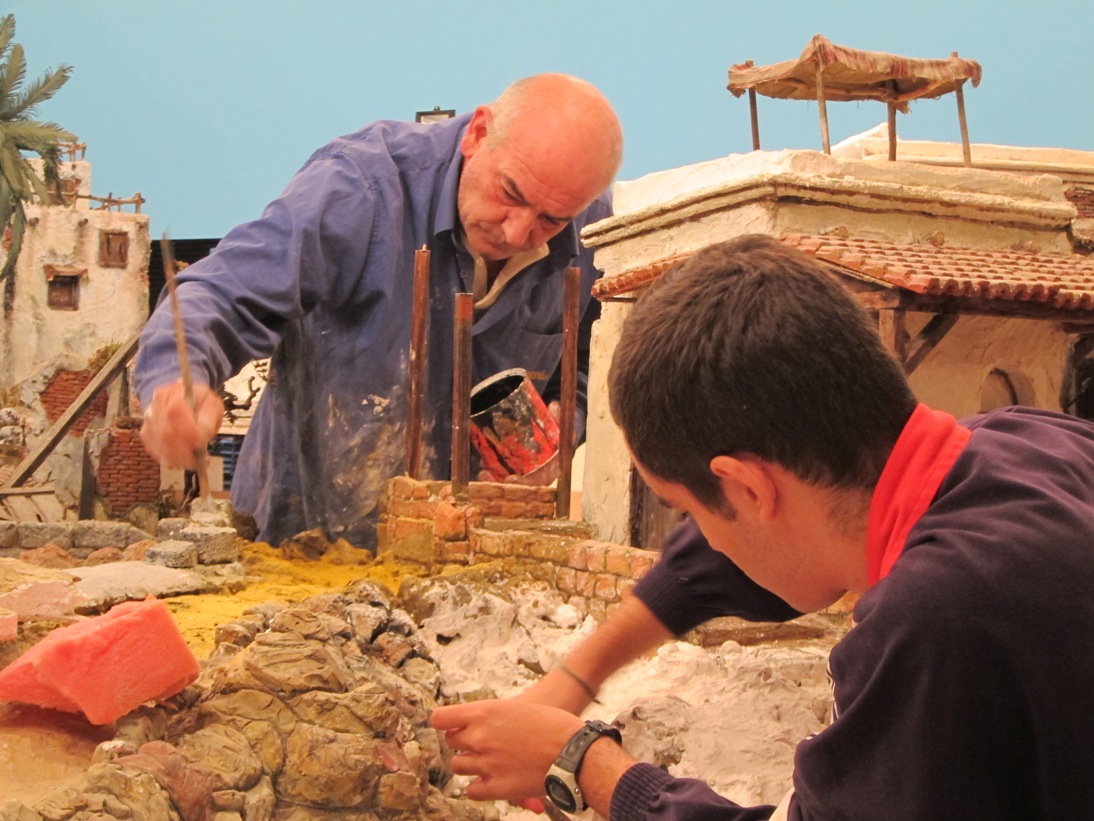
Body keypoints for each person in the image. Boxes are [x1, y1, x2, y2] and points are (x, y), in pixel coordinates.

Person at [431, 234, 1094, 819]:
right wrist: (579, 675)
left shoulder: (933, 622)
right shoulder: (1034, 441)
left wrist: (584, 764)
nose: (702, 536)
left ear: (747, 487)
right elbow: (754, 546)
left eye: (688, 510)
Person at [135, 74, 623, 551]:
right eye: (510, 194)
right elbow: (223, 291)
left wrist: (570, 419)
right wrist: (177, 380)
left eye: (550, 220)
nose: (516, 233)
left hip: (469, 550)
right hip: (303, 538)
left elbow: (589, 361)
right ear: (478, 134)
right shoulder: (359, 187)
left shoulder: (590, 225)